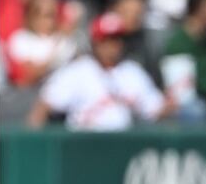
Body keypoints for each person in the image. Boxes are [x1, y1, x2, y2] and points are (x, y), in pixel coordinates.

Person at [27, 12, 171, 131]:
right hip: (85, 146)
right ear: (95, 43)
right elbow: (43, 107)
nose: (112, 45)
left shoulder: (132, 71)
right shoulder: (78, 71)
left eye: (116, 39)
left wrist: (173, 103)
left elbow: (156, 109)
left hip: (125, 147)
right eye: (106, 40)